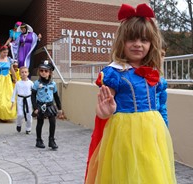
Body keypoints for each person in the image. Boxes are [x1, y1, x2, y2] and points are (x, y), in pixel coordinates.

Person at [85, 3, 177, 184]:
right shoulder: (115, 72)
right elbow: (103, 106)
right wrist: (104, 112)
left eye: (144, 40)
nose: (138, 44)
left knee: (152, 172)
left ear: (152, 43)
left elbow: (160, 105)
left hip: (153, 131)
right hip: (125, 132)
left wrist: (163, 128)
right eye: (131, 39)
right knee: (126, 174)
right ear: (122, 42)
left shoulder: (153, 72)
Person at [31, 60, 63, 149]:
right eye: (41, 71)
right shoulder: (37, 83)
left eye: (46, 71)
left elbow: (56, 96)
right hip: (40, 106)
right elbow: (33, 95)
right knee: (40, 122)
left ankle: (51, 140)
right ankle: (38, 140)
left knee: (52, 123)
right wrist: (35, 107)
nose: (43, 73)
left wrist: (59, 108)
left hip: (50, 105)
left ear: (50, 73)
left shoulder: (53, 84)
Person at [0, 45, 17, 121]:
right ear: (0, 52)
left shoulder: (9, 59)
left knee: (7, 98)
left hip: (6, 80)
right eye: (4, 53)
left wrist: (15, 78)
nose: (5, 54)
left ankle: (5, 115)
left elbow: (11, 69)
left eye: (7, 53)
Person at [11, 66, 33, 134]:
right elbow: (14, 92)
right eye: (22, 72)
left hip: (28, 100)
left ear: (28, 73)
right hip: (20, 100)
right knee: (20, 114)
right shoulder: (18, 83)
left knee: (29, 115)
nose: (24, 73)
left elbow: (34, 92)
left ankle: (28, 128)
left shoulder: (31, 83)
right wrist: (12, 101)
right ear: (20, 74)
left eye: (25, 72)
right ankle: (19, 124)